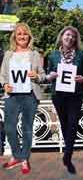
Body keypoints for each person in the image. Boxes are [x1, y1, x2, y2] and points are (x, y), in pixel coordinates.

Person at [0, 23, 46, 174]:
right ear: (14, 36)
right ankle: (17, 155)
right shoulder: (8, 54)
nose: (22, 36)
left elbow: (43, 75)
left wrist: (37, 76)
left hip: (30, 96)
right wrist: (5, 84)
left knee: (27, 128)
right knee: (9, 127)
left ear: (29, 36)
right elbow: (3, 75)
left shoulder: (35, 55)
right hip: (12, 95)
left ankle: (24, 158)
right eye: (19, 34)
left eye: (25, 34)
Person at [46, 26, 83, 174]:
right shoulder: (52, 55)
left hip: (75, 96)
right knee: (65, 125)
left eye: (73, 36)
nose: (70, 38)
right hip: (58, 96)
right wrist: (50, 76)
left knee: (72, 125)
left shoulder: (80, 55)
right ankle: (68, 152)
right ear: (62, 36)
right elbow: (47, 75)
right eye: (67, 35)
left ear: (75, 40)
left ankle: (68, 156)